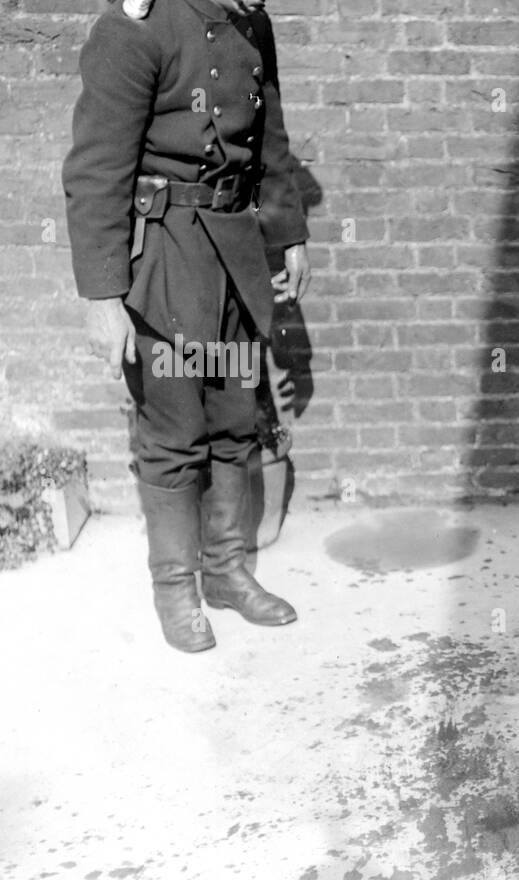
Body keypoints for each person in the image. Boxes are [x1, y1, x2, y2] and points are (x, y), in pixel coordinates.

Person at [63, 0, 311, 653]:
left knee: (235, 422)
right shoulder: (136, 26)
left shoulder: (253, 22)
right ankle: (175, 590)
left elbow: (271, 137)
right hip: (165, 258)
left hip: (235, 250)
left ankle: (227, 571)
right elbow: (95, 168)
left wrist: (287, 233)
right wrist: (103, 297)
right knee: (173, 431)